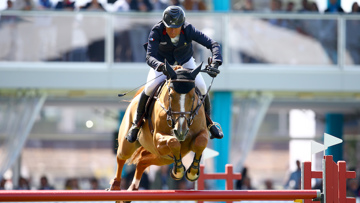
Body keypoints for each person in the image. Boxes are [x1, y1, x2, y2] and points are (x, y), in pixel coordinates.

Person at [126, 6, 223, 143]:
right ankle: (136, 125)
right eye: (169, 27)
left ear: (182, 25)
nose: (172, 31)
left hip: (185, 62)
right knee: (149, 88)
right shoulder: (157, 31)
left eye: (176, 27)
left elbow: (213, 44)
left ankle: (209, 123)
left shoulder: (188, 29)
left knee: (201, 86)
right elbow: (149, 57)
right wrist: (160, 66)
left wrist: (216, 63)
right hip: (162, 64)